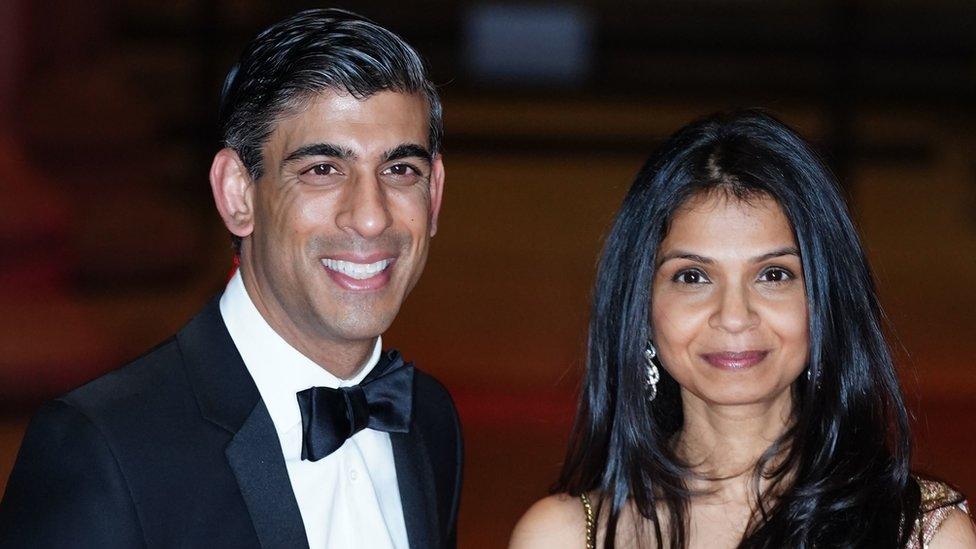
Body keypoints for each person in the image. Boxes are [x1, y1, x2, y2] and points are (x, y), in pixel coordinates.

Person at [0, 9, 461, 548]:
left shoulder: (429, 421)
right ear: (238, 195)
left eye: (400, 170)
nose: (370, 217)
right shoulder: (102, 448)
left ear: (433, 198)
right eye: (321, 170)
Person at [510, 110, 975, 548]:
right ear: (642, 307)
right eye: (692, 276)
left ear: (825, 301)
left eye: (774, 274)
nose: (734, 316)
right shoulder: (565, 536)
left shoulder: (923, 535)